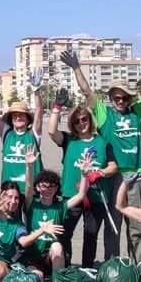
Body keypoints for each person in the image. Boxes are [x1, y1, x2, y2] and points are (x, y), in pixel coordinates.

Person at [69, 46, 141, 263]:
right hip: (113, 177)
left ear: (128, 99)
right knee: (113, 226)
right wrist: (76, 67)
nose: (120, 101)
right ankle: (112, 266)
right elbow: (87, 92)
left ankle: (137, 265)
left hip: (135, 176)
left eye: (123, 97)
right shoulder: (104, 114)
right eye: (116, 97)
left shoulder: (136, 112)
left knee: (136, 226)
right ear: (111, 98)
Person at [49, 99, 118, 267]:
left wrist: (99, 172)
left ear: (90, 119)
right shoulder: (69, 141)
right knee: (65, 234)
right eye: (77, 121)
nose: (81, 123)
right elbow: (51, 131)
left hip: (95, 196)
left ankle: (87, 269)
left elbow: (113, 167)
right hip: (71, 195)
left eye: (84, 119)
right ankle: (65, 267)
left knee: (91, 235)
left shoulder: (102, 142)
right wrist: (57, 107)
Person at [0, 82, 44, 190]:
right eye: (15, 116)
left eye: (21, 115)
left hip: (31, 191)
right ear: (11, 119)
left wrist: (36, 90)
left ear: (28, 118)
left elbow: (39, 110)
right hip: (9, 193)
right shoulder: (7, 134)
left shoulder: (33, 134)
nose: (18, 118)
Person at [23, 168, 73, 273]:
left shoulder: (60, 206)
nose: (47, 189)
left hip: (51, 256)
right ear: (37, 187)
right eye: (44, 186)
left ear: (56, 189)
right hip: (33, 256)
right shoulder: (32, 205)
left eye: (52, 186)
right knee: (36, 277)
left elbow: (81, 195)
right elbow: (28, 186)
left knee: (57, 246)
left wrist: (84, 174)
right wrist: (29, 165)